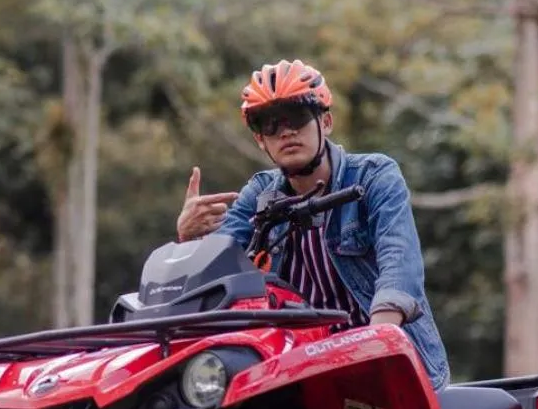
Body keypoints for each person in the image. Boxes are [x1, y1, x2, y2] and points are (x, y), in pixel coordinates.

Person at [177, 58, 450, 389]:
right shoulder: (260, 194)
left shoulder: (374, 177)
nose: (287, 131)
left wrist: (377, 342)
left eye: (298, 117)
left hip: (386, 364)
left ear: (326, 122)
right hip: (300, 371)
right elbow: (216, 270)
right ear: (260, 140)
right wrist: (188, 239)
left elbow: (400, 265)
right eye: (271, 124)